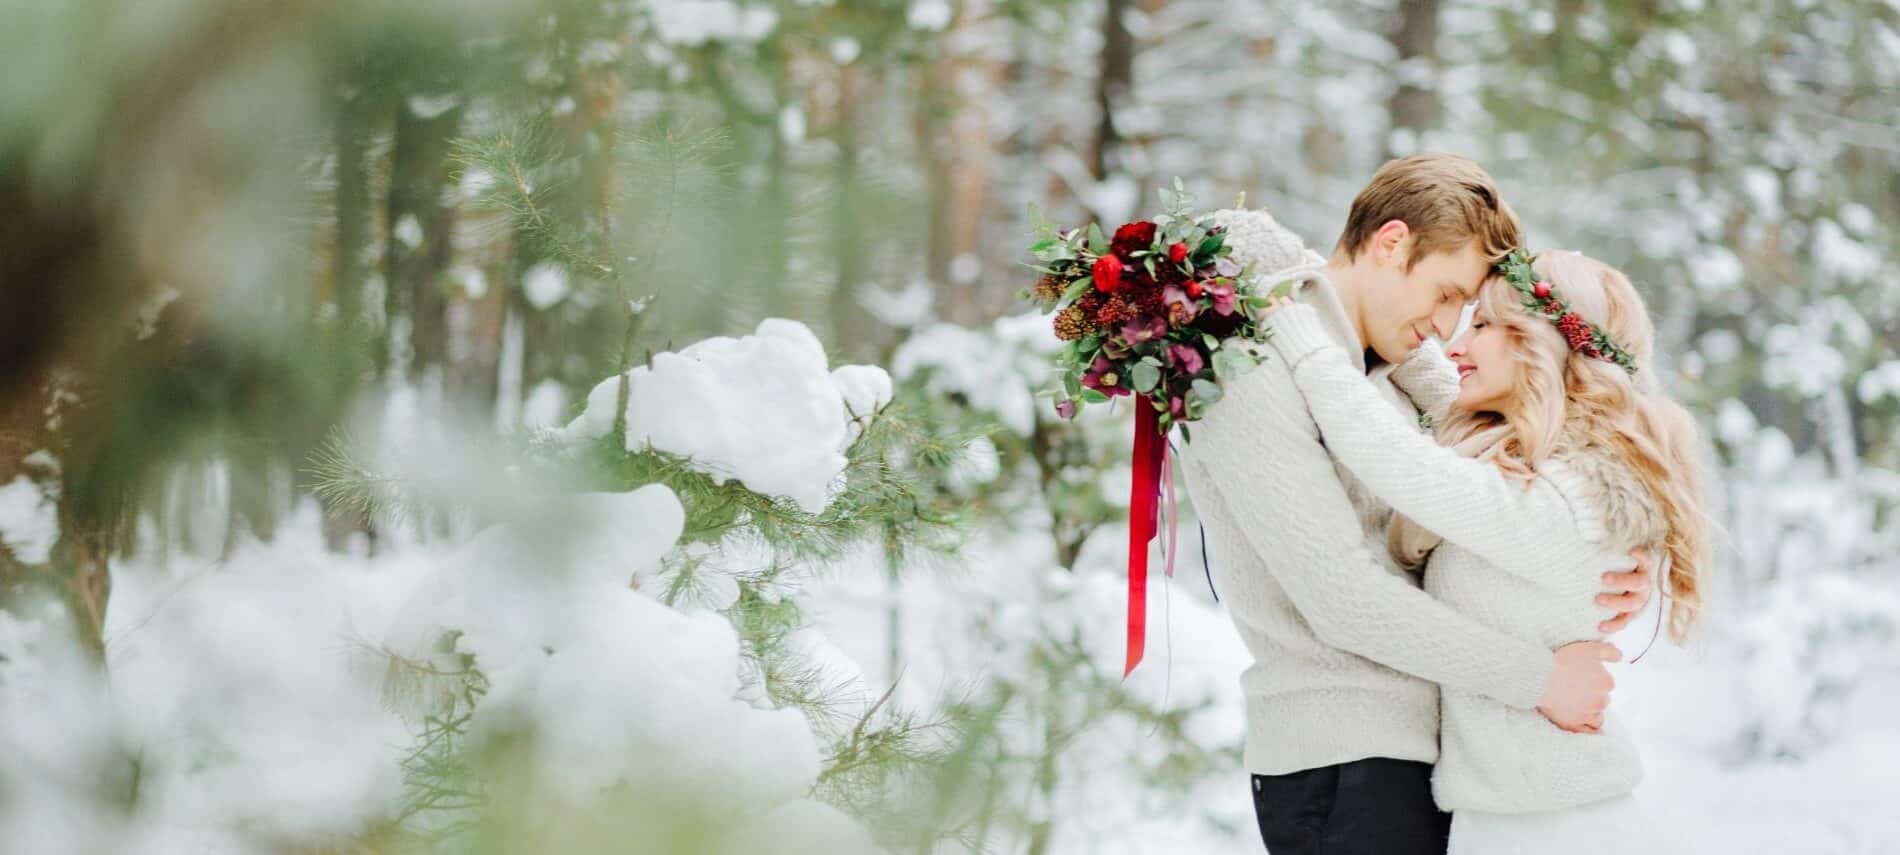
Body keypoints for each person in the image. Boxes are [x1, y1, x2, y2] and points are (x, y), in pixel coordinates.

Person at [1175, 153, 1656, 854]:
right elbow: (1340, 595)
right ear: (1392, 243)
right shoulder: (1252, 363)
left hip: (1422, 754)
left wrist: (1601, 561)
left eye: (1468, 311)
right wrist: (1540, 679)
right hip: (1340, 760)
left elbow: (1511, 480)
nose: (1448, 326)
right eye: (1446, 294)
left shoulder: (1388, 370)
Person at [1258, 248, 1709, 852]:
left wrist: (1304, 341)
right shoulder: (1551, 476)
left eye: (1483, 324)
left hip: (1558, 825)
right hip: (1510, 815)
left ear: (1540, 343)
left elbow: (1395, 459)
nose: (1456, 344)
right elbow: (1437, 401)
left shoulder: (1564, 501)